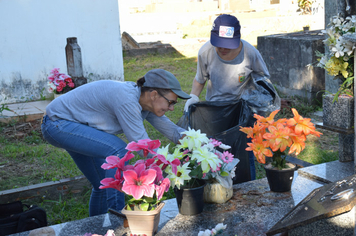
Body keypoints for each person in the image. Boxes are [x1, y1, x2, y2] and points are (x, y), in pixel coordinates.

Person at [41, 68, 190, 216]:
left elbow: (172, 130)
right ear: (154, 94)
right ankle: (118, 219)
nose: (171, 108)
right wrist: (172, 166)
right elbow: (142, 145)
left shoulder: (145, 102)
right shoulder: (127, 100)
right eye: (170, 102)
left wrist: (198, 144)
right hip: (58, 124)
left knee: (101, 184)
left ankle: (96, 230)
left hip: (72, 124)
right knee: (118, 150)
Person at [183, 14, 270, 180]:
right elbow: (200, 79)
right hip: (215, 109)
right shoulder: (206, 52)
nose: (223, 49)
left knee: (244, 151)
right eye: (219, 45)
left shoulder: (250, 53)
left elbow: (263, 80)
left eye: (227, 46)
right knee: (216, 151)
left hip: (242, 109)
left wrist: (259, 105)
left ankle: (246, 186)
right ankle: (218, 187)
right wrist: (193, 97)